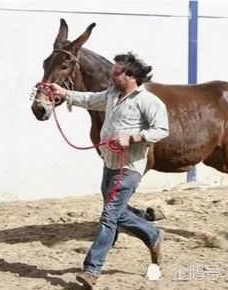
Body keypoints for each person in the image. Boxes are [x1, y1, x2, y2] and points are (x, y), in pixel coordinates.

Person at [46, 52, 169, 288]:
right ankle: (152, 234)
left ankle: (92, 269)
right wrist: (64, 93)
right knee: (117, 213)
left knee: (109, 216)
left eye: (116, 72)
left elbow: (162, 130)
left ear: (131, 75)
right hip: (110, 164)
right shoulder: (113, 94)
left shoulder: (149, 102)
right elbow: (91, 99)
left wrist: (133, 138)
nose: (111, 75)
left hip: (129, 167)